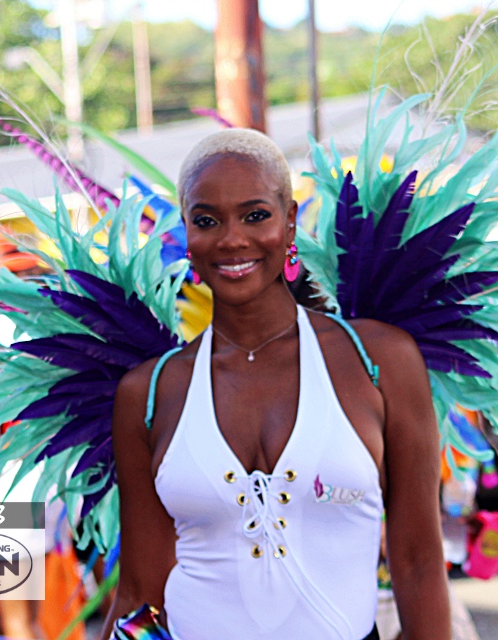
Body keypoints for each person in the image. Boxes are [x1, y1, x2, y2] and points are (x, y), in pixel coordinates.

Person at [103, 130, 451, 639]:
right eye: (207, 220)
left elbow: (419, 561)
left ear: (289, 221)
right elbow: (140, 593)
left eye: (255, 215)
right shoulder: (150, 392)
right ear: (187, 233)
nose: (232, 239)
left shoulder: (379, 361)